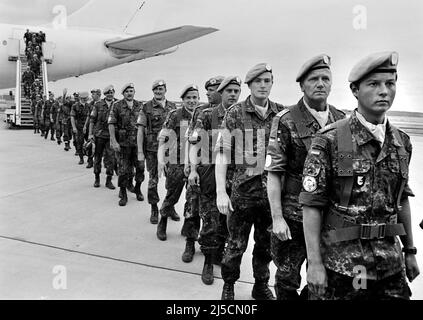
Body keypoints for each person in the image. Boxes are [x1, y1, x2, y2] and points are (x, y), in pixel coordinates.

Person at [300, 51, 420, 300]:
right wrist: (314, 264)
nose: (384, 91)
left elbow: (402, 200)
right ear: (355, 90)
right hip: (342, 266)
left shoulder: (402, 142)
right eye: (374, 84)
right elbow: (311, 206)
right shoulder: (330, 140)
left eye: (390, 83)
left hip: (390, 266)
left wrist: (410, 251)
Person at [265, 54, 345, 300]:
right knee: (287, 280)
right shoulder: (286, 120)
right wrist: (277, 218)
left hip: (329, 219)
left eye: (325, 78)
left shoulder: (341, 121)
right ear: (302, 85)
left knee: (323, 281)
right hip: (293, 218)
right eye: (313, 79)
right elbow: (274, 174)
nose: (320, 84)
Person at [215, 63, 285, 300]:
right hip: (242, 194)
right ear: (250, 85)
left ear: (272, 83)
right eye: (258, 81)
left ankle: (260, 285)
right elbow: (222, 152)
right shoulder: (235, 113)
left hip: (271, 197)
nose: (263, 85)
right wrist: (220, 193)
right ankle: (229, 285)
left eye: (267, 81)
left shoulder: (281, 114)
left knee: (265, 246)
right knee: (235, 245)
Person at [188, 76, 241, 285]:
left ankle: (219, 254)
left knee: (228, 224)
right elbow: (194, 142)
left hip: (236, 177)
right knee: (210, 221)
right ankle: (208, 262)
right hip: (210, 173)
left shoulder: (243, 114)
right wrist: (192, 170)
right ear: (221, 92)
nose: (233, 95)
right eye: (229, 91)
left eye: (236, 91)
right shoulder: (207, 114)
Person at [156, 85, 200, 264]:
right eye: (188, 97)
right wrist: (161, 161)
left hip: (194, 166)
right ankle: (163, 220)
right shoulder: (175, 114)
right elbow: (163, 137)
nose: (192, 100)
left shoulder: (201, 114)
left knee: (192, 201)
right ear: (183, 99)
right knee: (172, 195)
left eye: (194, 97)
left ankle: (188, 234)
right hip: (175, 162)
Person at [137, 80, 176, 223]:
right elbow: (140, 130)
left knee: (172, 180)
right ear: (153, 91)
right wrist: (140, 152)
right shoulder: (146, 107)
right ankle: (154, 208)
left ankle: (169, 206)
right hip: (152, 150)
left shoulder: (172, 107)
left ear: (165, 90)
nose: (158, 91)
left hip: (170, 150)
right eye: (156, 89)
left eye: (161, 89)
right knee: (153, 179)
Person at [108, 83, 145, 206]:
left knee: (140, 167)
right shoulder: (117, 105)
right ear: (123, 94)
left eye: (131, 91)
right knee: (123, 170)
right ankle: (123, 192)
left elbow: (145, 124)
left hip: (138, 144)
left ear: (134, 92)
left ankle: (138, 188)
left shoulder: (140, 105)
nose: (129, 93)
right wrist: (113, 141)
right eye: (127, 91)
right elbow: (111, 123)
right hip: (123, 144)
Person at [89, 85, 117, 190]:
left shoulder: (118, 104)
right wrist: (90, 134)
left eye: (112, 92)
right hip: (99, 135)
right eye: (108, 92)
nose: (110, 94)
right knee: (97, 157)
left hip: (111, 136)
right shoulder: (98, 105)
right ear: (105, 94)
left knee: (111, 158)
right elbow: (92, 120)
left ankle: (109, 180)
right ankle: (97, 178)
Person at [71, 92, 90, 165]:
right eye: (83, 98)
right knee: (79, 144)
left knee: (89, 144)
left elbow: (90, 117)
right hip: (79, 128)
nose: (85, 100)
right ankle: (81, 158)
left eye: (86, 98)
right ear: (81, 98)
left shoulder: (89, 106)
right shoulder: (75, 106)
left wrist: (87, 127)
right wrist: (74, 127)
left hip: (88, 128)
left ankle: (89, 159)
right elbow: (72, 117)